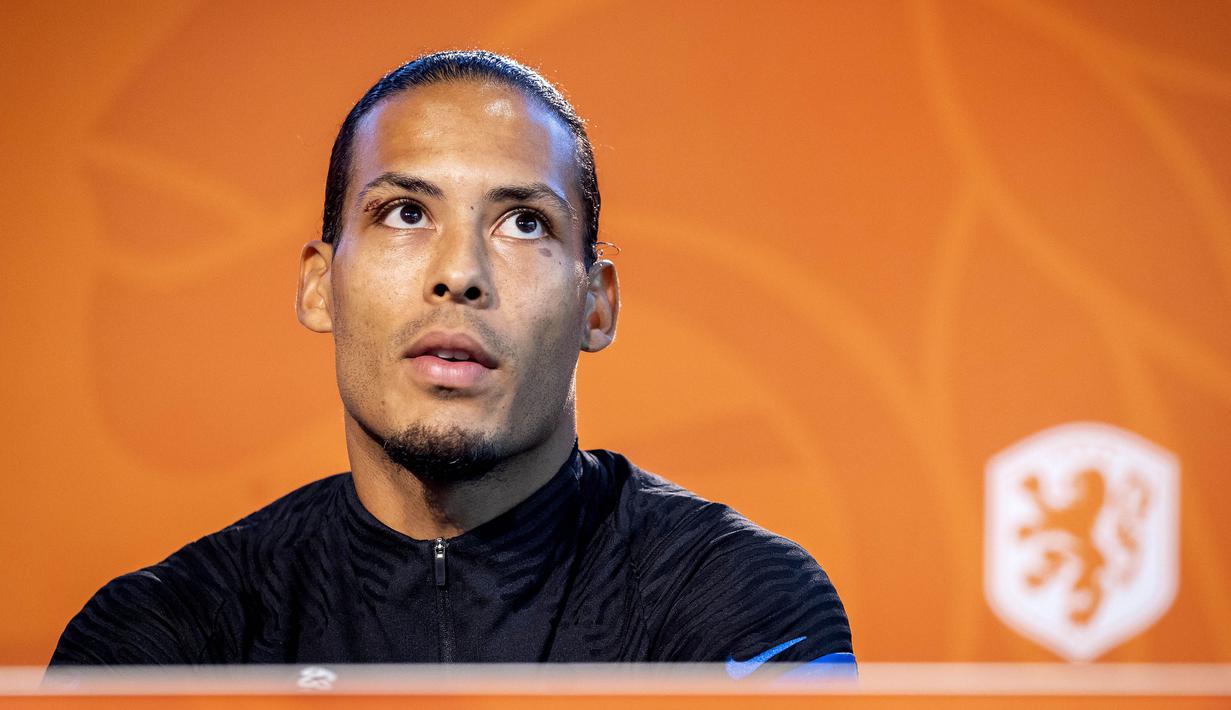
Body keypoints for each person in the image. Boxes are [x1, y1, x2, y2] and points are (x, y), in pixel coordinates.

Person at [49, 51, 853, 672]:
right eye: (404, 213)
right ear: (320, 286)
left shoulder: (737, 599)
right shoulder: (164, 641)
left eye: (524, 224)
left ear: (596, 303)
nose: (458, 271)